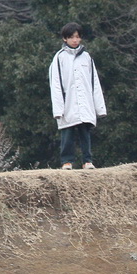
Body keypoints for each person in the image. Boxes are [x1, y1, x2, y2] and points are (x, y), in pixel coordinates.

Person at [48, 22, 106, 170]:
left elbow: (94, 83)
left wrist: (99, 107)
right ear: (64, 39)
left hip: (85, 101)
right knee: (67, 132)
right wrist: (58, 109)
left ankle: (87, 160)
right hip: (68, 102)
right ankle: (66, 161)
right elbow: (55, 84)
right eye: (71, 37)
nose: (75, 40)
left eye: (77, 37)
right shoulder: (59, 58)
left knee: (85, 131)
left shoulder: (87, 57)